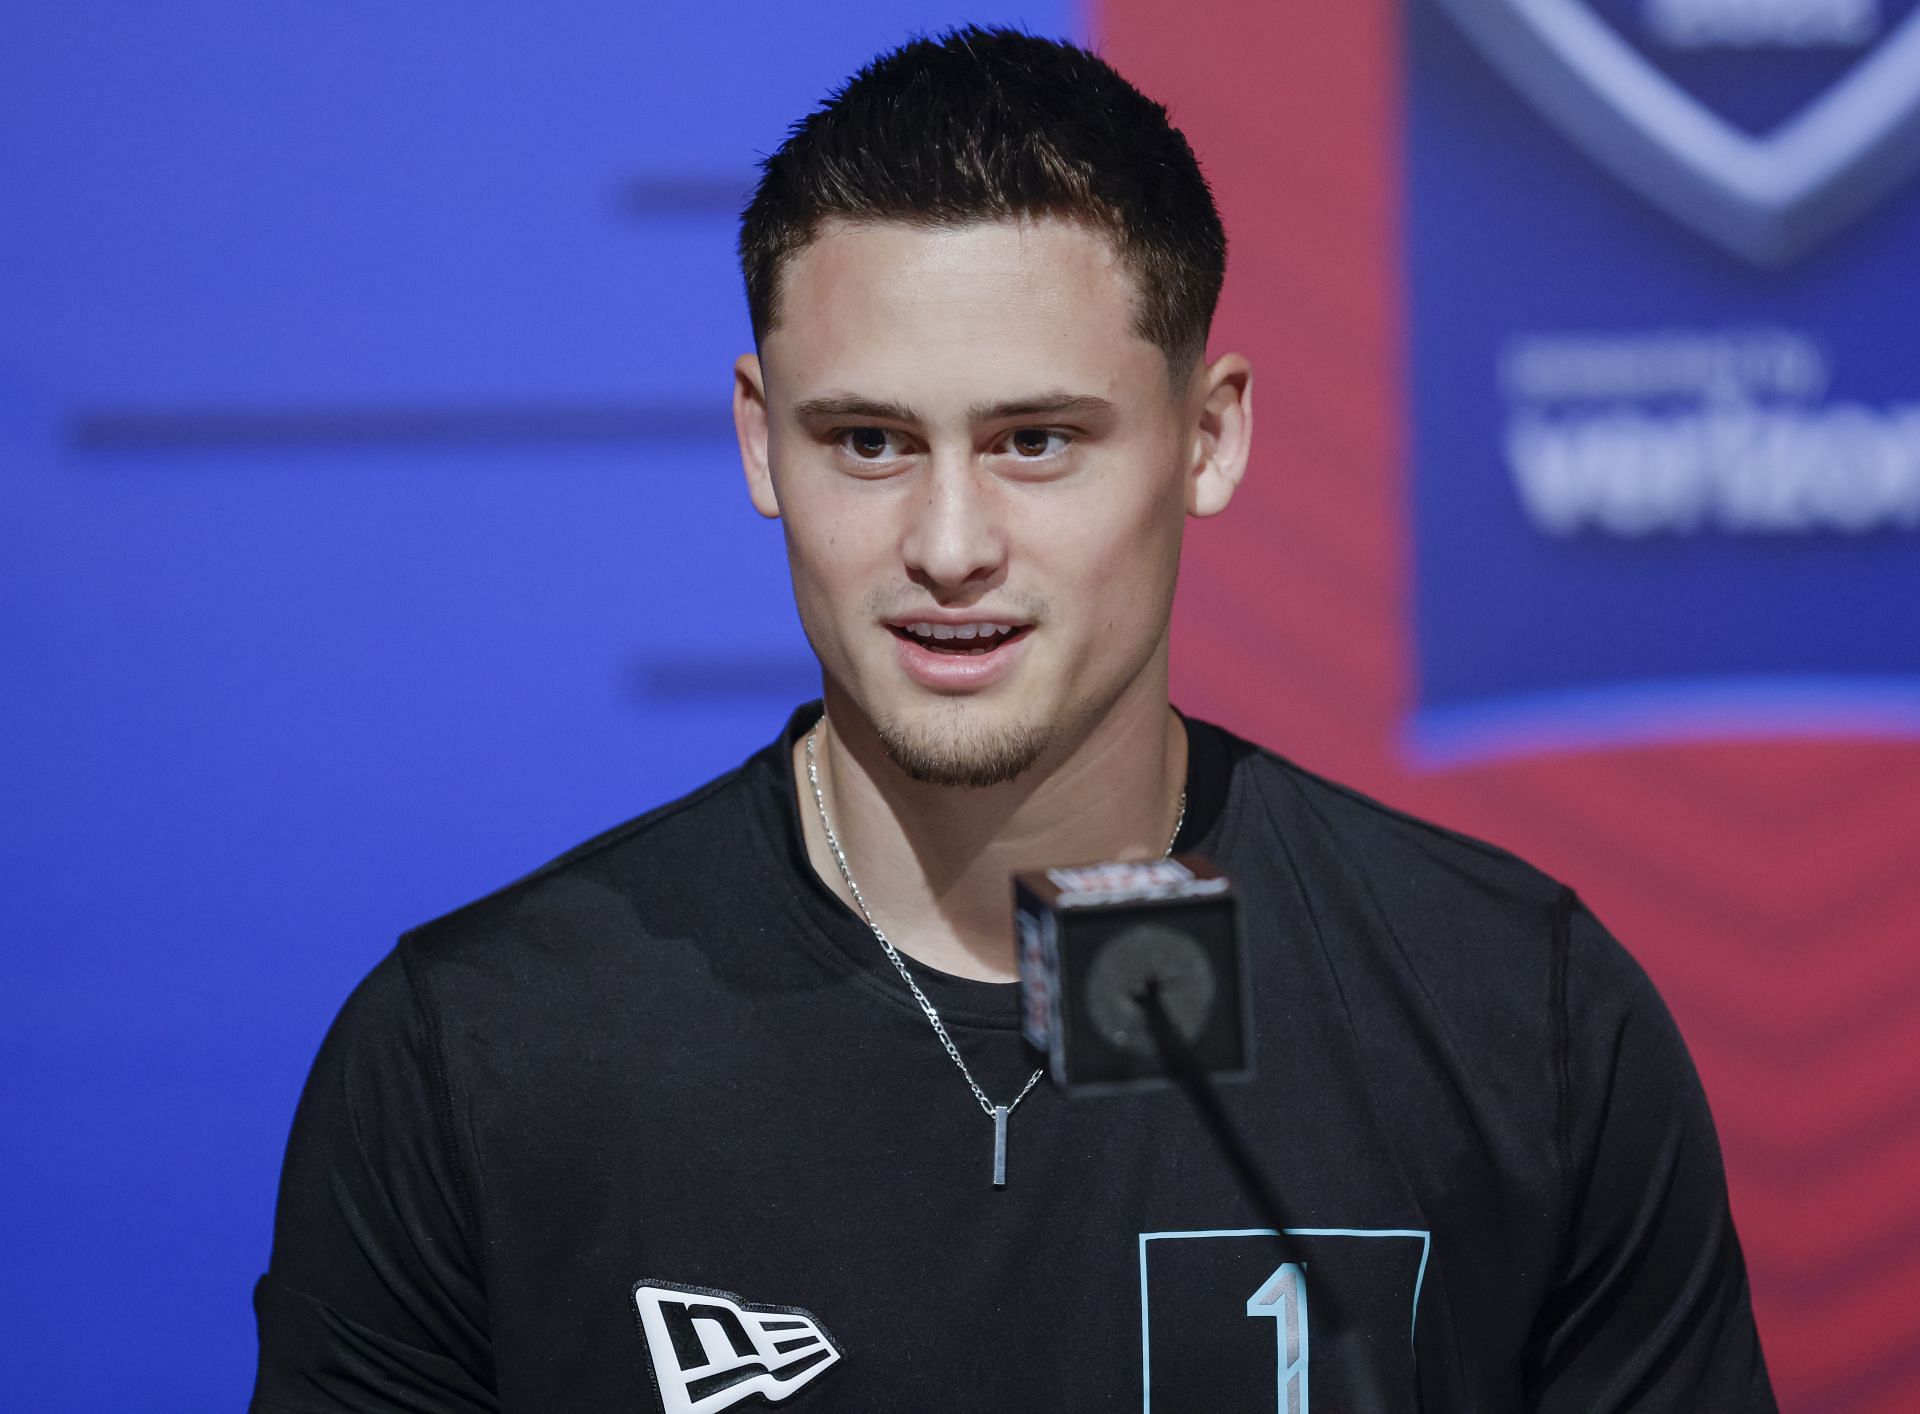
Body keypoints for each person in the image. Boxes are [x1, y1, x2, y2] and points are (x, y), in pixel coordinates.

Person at [251, 27, 1776, 1413]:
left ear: (1210, 435)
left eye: (1037, 439)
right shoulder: (474, 1057)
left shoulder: (1521, 1021)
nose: (950, 541)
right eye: (867, 440)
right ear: (759, 439)